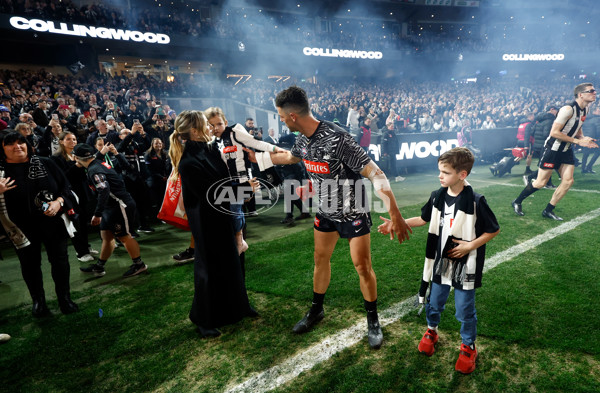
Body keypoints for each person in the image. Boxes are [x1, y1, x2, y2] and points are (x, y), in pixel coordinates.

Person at [247, 86, 412, 349]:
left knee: (362, 267)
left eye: (280, 116)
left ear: (292, 116)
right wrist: (261, 158)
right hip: (324, 212)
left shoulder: (338, 138)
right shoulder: (302, 137)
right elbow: (291, 156)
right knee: (320, 260)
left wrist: (395, 212)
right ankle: (316, 310)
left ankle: (373, 320)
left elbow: (376, 173)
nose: (280, 120)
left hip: (353, 211)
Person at [384, 147, 499, 374]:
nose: (440, 176)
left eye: (445, 172)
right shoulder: (437, 196)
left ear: (462, 175)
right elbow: (424, 218)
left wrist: (469, 245)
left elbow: (492, 230)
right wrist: (398, 222)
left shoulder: (476, 201)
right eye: (440, 171)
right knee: (435, 301)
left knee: (464, 308)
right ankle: (431, 330)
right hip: (441, 261)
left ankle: (468, 345)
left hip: (464, 262)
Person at [168, 110, 257, 337]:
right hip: (206, 221)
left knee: (234, 261)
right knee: (208, 267)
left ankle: (239, 307)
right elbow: (211, 194)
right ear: (195, 131)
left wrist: (241, 190)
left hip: (223, 214)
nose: (210, 127)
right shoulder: (188, 162)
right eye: (206, 125)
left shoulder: (210, 149)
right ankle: (203, 319)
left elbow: (223, 184)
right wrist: (245, 190)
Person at [0, 131, 80, 316]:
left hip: (52, 223)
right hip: (20, 228)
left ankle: (65, 299)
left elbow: (66, 188)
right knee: (29, 265)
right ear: (2, 148)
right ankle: (39, 302)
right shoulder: (0, 172)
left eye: (21, 142)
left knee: (60, 261)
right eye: (10, 144)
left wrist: (58, 202)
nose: (17, 146)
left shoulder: (46, 162)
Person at [512, 83, 599, 221]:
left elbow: (577, 128)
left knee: (568, 181)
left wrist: (582, 137)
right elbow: (554, 133)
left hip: (566, 149)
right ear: (581, 94)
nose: (595, 93)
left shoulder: (585, 109)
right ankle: (517, 201)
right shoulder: (567, 109)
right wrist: (577, 141)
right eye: (591, 91)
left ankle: (548, 210)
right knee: (540, 182)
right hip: (552, 149)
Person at [204, 106, 280, 254]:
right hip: (226, 182)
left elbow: (257, 143)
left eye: (219, 123)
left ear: (225, 122)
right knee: (230, 211)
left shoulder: (235, 132)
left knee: (234, 210)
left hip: (242, 179)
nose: (216, 127)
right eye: (212, 125)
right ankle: (237, 242)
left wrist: (276, 149)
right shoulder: (212, 141)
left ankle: (239, 242)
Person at [73, 143, 148, 278]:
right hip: (111, 206)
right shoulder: (97, 163)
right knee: (106, 236)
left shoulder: (94, 169)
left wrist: (97, 213)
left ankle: (139, 264)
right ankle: (100, 266)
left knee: (124, 236)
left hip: (119, 204)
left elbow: (104, 190)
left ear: (76, 157)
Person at [51, 131, 98, 262]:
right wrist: (77, 165)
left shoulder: (78, 155)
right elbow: (63, 177)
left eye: (74, 139)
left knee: (83, 223)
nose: (73, 142)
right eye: (69, 139)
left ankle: (86, 247)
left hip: (84, 192)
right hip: (69, 195)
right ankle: (81, 253)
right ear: (61, 141)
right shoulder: (56, 158)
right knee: (75, 223)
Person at [144, 137, 171, 218]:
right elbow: (148, 169)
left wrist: (167, 176)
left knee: (165, 198)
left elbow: (168, 166)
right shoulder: (148, 154)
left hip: (165, 179)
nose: (158, 145)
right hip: (153, 180)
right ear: (152, 145)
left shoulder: (165, 153)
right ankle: (158, 216)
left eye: (160, 143)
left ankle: (166, 215)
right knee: (157, 199)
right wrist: (160, 177)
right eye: (156, 143)